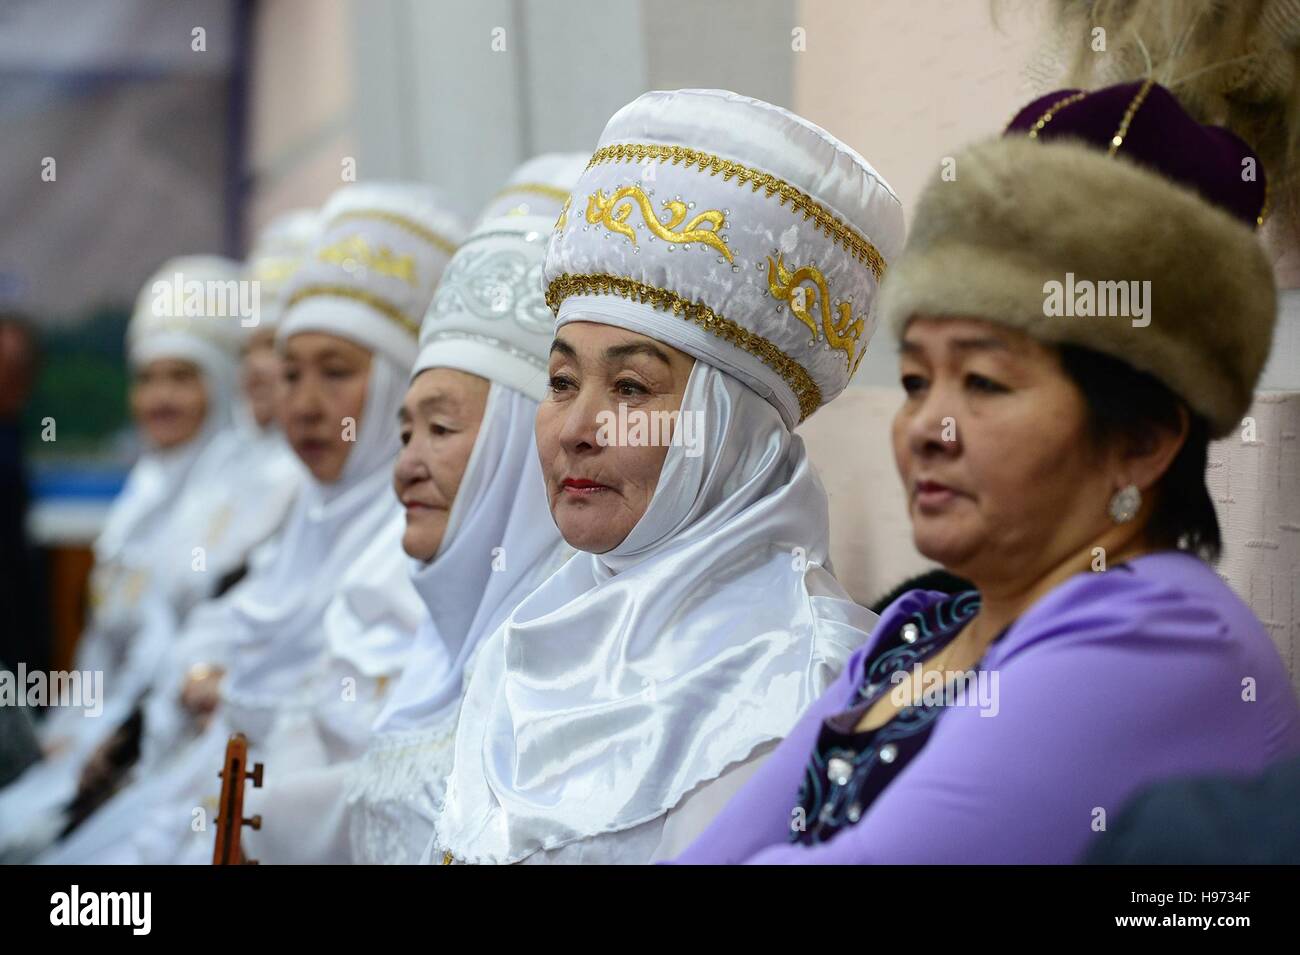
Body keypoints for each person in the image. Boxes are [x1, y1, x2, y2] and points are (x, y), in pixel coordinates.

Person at [673, 80, 1300, 864]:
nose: (926, 431)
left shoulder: (1163, 640)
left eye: (985, 383)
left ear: (1141, 441)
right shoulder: (915, 633)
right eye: (914, 382)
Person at [431, 88, 904, 864]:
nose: (578, 430)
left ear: (731, 431)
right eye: (559, 382)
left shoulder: (804, 677)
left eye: (630, 388)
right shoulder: (530, 632)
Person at [37, 183, 467, 864]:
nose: (305, 404)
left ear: (397, 384)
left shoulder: (415, 537)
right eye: (289, 373)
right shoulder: (308, 517)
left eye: (336, 373)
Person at [347, 154, 584, 864]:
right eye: (404, 432)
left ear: (519, 447)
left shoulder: (570, 666)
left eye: (442, 430)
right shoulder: (443, 646)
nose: (408, 465)